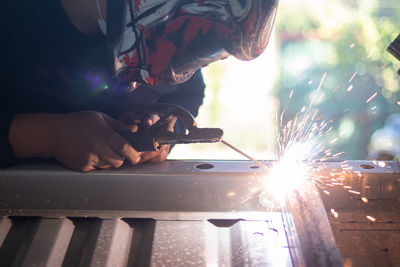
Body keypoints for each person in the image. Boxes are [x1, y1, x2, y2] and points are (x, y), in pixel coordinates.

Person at [0, 0, 278, 171]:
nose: (134, 86)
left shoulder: (175, 37)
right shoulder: (14, 17)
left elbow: (188, 91)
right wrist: (48, 135)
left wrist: (166, 124)